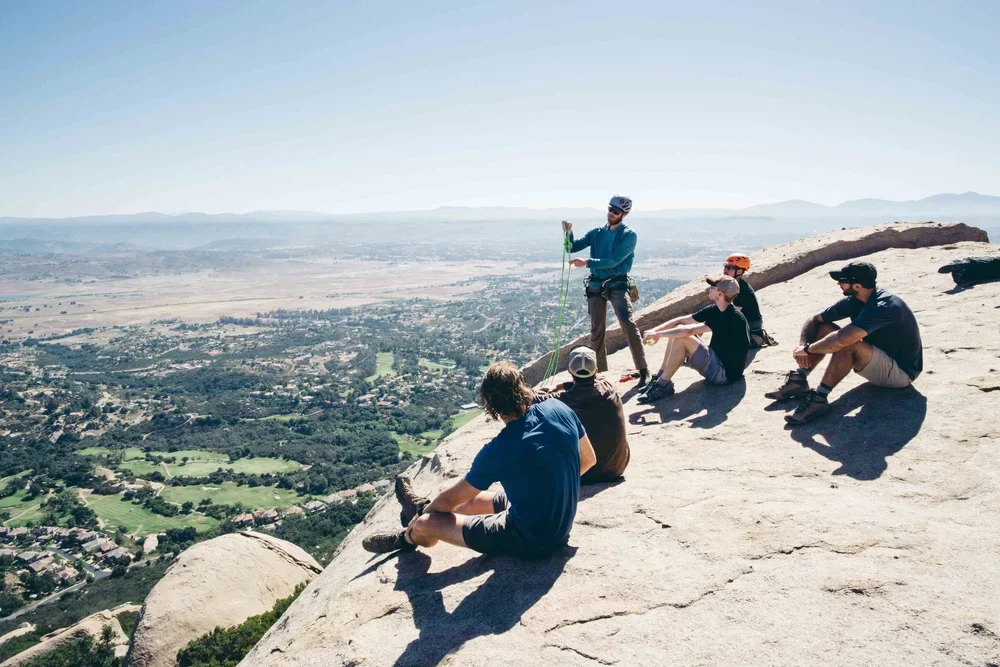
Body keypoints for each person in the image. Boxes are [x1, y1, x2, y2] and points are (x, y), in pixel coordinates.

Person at [362, 361, 597, 558]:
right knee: (468, 503)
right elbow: (589, 460)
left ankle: (407, 537)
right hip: (560, 524)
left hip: (532, 540)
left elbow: (452, 499)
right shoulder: (559, 408)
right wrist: (553, 487)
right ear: (523, 388)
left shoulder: (500, 448)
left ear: (491, 407)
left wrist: (425, 516)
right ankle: (419, 508)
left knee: (429, 523)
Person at [765, 261, 923, 425]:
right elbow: (814, 320)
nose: (838, 283)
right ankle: (799, 379)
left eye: (842, 280)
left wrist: (808, 349)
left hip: (901, 373)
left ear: (856, 286)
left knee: (849, 342)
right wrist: (803, 347)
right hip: (877, 357)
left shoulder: (883, 306)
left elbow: (842, 339)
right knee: (825, 327)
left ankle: (819, 399)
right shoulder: (856, 299)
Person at [562, 196, 650, 387]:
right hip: (596, 284)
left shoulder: (629, 235)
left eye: (616, 212)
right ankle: (598, 372)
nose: (611, 213)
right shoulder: (597, 232)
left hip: (616, 283)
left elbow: (614, 260)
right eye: (610, 209)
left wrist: (587, 262)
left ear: (624, 214)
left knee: (627, 323)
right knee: (597, 328)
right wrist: (568, 233)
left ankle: (643, 369)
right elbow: (572, 247)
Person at [637, 276, 750, 404]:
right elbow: (680, 321)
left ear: (720, 293)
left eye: (713, 287)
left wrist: (659, 335)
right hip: (718, 363)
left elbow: (689, 331)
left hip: (724, 374)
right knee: (677, 331)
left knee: (682, 338)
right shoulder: (717, 309)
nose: (709, 288)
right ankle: (659, 379)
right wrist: (654, 331)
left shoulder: (731, 316)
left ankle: (663, 386)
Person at [535, 346, 629, 484]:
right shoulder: (609, 387)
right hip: (616, 468)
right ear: (596, 371)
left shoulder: (563, 400)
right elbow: (596, 382)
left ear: (569, 371)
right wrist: (563, 386)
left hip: (584, 474)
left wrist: (555, 389)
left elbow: (529, 397)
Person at [723, 253, 770, 346]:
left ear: (739, 271)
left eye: (729, 268)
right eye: (725, 266)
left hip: (752, 331)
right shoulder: (733, 285)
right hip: (744, 326)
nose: (725, 270)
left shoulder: (742, 290)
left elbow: (731, 313)